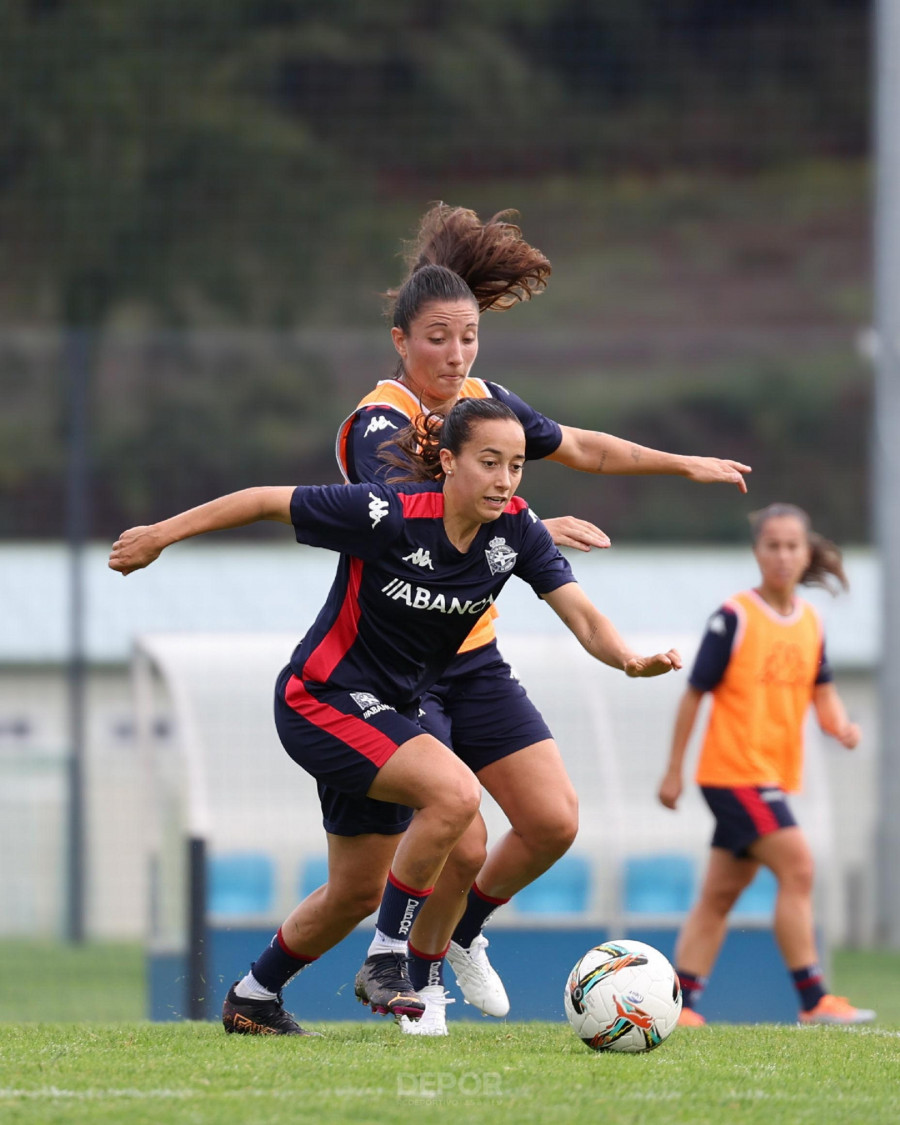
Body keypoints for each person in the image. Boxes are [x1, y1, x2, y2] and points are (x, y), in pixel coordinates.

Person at [109, 397, 683, 1036]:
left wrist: (628, 659)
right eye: (488, 462)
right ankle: (388, 961)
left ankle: (253, 996)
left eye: (516, 466)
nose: (504, 479)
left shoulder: (516, 529)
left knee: (355, 891)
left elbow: (579, 612)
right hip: (319, 699)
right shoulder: (387, 514)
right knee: (457, 795)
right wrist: (160, 535)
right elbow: (264, 498)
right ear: (447, 461)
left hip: (389, 716)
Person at [334, 202, 752, 1034]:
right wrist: (527, 525)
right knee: (465, 839)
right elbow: (412, 510)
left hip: (473, 653)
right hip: (398, 664)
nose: (456, 356)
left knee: (554, 820)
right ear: (401, 341)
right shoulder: (378, 422)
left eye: (469, 338)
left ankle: (460, 938)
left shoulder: (484, 402)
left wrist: (682, 464)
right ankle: (410, 983)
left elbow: (585, 446)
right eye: (438, 339)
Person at [657, 502, 874, 1027]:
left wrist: (839, 725)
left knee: (720, 894)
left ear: (806, 553)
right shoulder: (733, 617)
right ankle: (814, 1000)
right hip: (733, 773)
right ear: (758, 553)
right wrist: (673, 770)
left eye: (791, 546)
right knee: (798, 866)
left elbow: (822, 691)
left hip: (771, 777)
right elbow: (693, 695)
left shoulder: (810, 622)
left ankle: (680, 1005)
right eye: (772, 545)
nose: (781, 555)